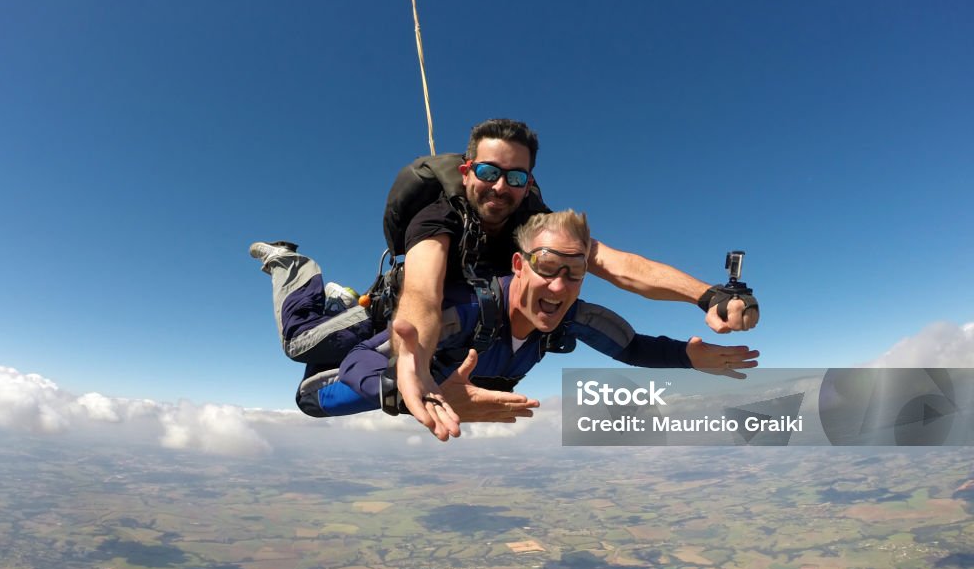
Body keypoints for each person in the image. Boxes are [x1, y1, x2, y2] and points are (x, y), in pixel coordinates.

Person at [391, 118, 760, 439]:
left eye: (515, 177)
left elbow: (620, 266)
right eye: (489, 172)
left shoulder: (537, 223)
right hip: (444, 338)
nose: (501, 187)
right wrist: (415, 364)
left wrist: (709, 296)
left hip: (496, 344)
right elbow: (423, 291)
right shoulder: (438, 219)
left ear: (528, 182)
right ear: (466, 171)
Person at [252, 212, 758, 425]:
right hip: (386, 328)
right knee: (301, 355)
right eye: (547, 269)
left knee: (311, 403)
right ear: (519, 265)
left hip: (431, 381)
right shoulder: (462, 313)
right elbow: (363, 360)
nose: (559, 287)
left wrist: (689, 357)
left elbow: (632, 347)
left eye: (575, 274)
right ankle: (299, 270)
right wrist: (418, 392)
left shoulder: (570, 317)